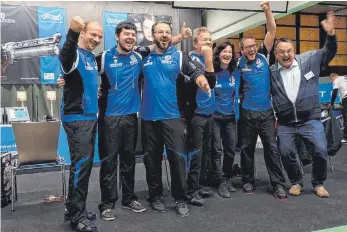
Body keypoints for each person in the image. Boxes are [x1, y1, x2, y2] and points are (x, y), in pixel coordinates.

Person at [58, 21, 193, 221]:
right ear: (117, 36)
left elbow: (161, 43)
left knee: (129, 160)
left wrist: (180, 37)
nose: (130, 38)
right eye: (126, 34)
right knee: (109, 162)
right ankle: (107, 203)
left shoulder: (140, 56)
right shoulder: (103, 57)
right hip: (109, 118)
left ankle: (129, 198)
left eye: (133, 35)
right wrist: (64, 78)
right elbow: (75, 68)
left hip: (132, 116)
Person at [141, 21, 212, 217]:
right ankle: (155, 196)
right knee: (151, 161)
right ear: (152, 35)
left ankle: (180, 198)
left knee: (178, 160)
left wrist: (202, 81)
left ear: (170, 35)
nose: (164, 35)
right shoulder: (143, 56)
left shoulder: (180, 56)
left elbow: (195, 71)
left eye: (167, 32)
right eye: (160, 32)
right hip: (148, 119)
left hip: (174, 118)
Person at [270, 12, 337, 198]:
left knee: (321, 150)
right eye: (281, 52)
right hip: (285, 122)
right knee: (286, 152)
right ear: (276, 54)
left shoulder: (309, 60)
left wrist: (331, 34)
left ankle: (318, 183)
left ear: (294, 51)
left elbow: (329, 51)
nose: (286, 55)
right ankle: (296, 182)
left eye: (289, 51)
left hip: (310, 119)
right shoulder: (272, 72)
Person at [238, 1, 287, 199]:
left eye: (252, 46)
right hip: (247, 112)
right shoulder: (238, 62)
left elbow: (272, 30)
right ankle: (248, 180)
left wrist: (268, 11)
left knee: (271, 149)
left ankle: (278, 184)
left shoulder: (263, 56)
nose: (250, 50)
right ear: (241, 50)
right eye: (246, 47)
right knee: (246, 149)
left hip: (266, 113)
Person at [59, 16, 103, 232]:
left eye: (100, 36)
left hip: (89, 117)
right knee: (82, 167)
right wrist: (72, 33)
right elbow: (65, 56)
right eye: (93, 34)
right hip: (77, 118)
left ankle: (73, 209)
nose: (96, 38)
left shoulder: (90, 58)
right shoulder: (75, 53)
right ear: (84, 33)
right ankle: (77, 217)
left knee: (80, 166)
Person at [185, 27, 216, 206]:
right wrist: (208, 57)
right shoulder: (190, 60)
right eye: (204, 40)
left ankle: (201, 184)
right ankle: (191, 191)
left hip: (209, 113)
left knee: (206, 152)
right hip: (195, 114)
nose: (208, 43)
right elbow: (207, 80)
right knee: (195, 154)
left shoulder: (209, 58)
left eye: (210, 40)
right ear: (195, 43)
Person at [211, 41, 241, 198]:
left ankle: (228, 177)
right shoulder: (212, 71)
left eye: (230, 51)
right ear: (218, 53)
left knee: (230, 151)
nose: (227, 54)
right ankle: (221, 181)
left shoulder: (235, 71)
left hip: (230, 117)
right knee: (216, 150)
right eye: (224, 51)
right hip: (214, 117)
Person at [330, 73, 347, 143]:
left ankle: (346, 138)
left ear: (333, 77)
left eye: (331, 80)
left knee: (346, 118)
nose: (331, 81)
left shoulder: (337, 79)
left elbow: (334, 92)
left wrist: (331, 103)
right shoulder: (345, 77)